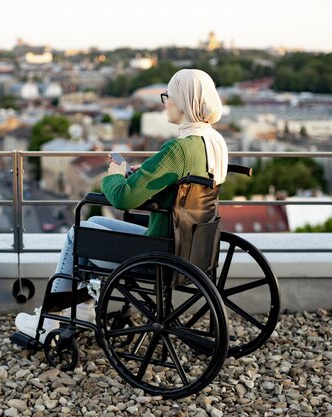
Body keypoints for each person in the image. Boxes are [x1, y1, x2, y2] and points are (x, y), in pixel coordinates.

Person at [15, 69, 228, 341]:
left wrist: (114, 173)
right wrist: (144, 173)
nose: (166, 102)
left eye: (169, 96)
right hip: (193, 245)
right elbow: (181, 187)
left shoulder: (179, 148)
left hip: (161, 250)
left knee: (77, 234)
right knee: (92, 225)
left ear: (185, 102)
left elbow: (123, 198)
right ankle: (80, 308)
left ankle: (51, 319)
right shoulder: (214, 143)